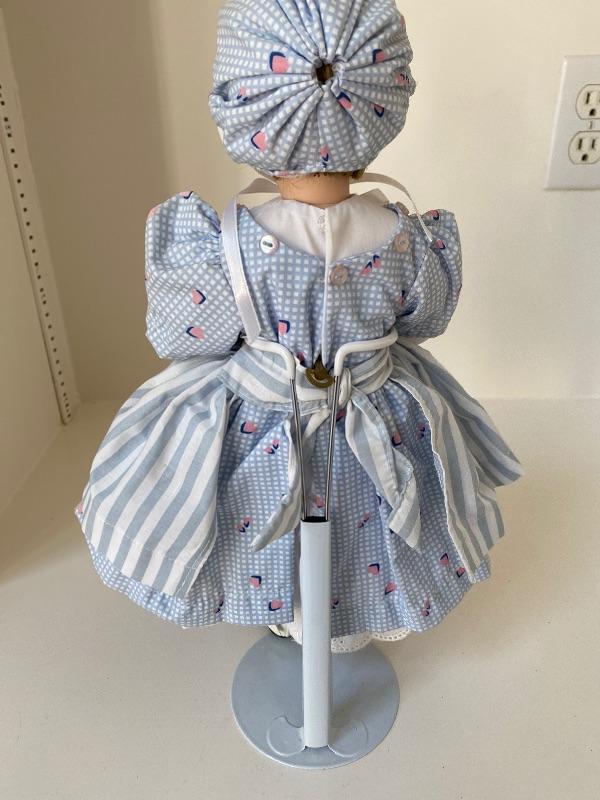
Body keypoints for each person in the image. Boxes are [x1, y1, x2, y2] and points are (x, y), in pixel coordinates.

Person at [74, 0, 524, 654]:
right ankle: (352, 616)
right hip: (375, 417)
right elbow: (425, 321)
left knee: (249, 521)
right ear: (381, 100)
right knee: (367, 523)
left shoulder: (224, 245)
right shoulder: (406, 239)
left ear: (246, 105)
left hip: (262, 424)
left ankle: (290, 610)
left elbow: (184, 336)